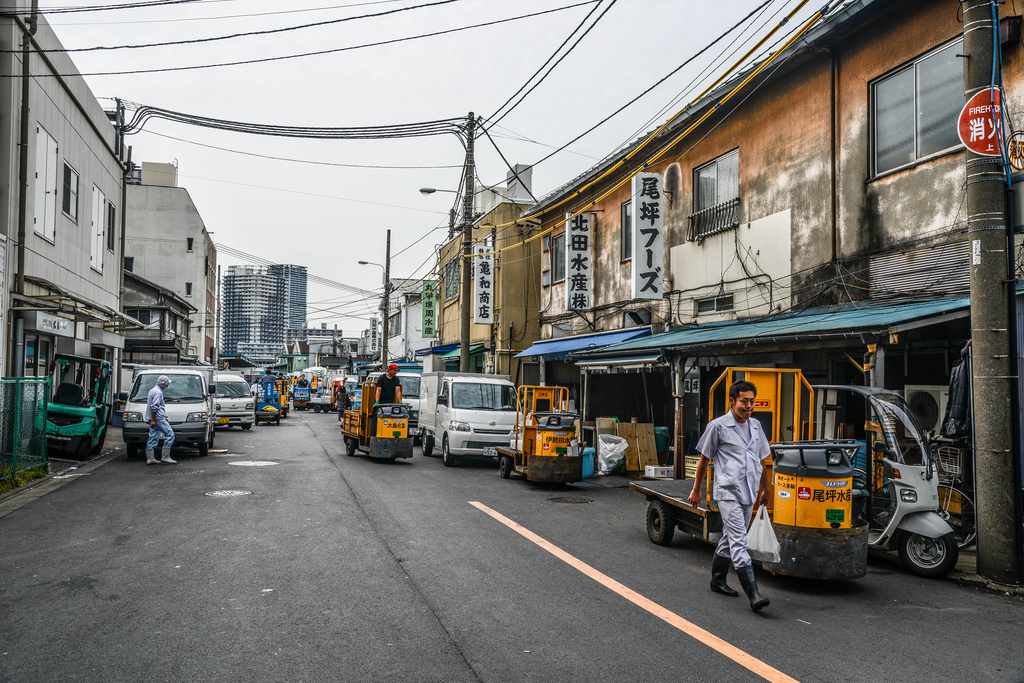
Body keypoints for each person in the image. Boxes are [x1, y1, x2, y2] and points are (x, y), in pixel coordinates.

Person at [688, 380, 770, 611]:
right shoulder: (718, 426)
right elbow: (704, 460)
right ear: (732, 401)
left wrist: (766, 489)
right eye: (745, 401)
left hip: (749, 491)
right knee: (739, 541)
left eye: (752, 401)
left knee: (731, 536)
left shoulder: (755, 426)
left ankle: (717, 580)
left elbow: (762, 460)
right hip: (728, 491)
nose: (749, 406)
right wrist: (696, 490)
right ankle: (753, 595)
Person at [145, 375, 176, 465]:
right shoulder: (158, 392)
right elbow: (154, 406)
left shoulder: (152, 390)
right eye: (167, 383)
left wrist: (154, 419)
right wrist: (155, 419)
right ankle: (165, 457)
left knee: (153, 436)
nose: (167, 385)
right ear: (164, 384)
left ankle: (150, 458)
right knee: (170, 434)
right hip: (157, 418)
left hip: (153, 417)